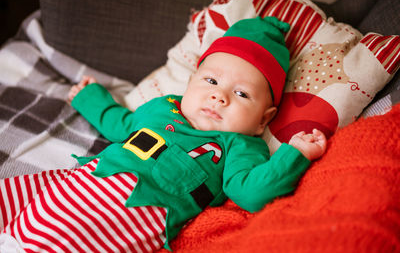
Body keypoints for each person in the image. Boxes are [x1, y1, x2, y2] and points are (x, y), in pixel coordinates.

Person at [0, 17, 327, 252]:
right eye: (211, 82)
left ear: (262, 120)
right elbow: (122, 125)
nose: (219, 97)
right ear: (190, 83)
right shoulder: (163, 108)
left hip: (135, 214)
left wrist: (294, 153)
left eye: (242, 94)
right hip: (90, 179)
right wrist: (90, 98)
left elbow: (249, 193)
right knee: (27, 207)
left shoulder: (240, 144)